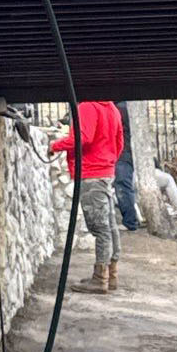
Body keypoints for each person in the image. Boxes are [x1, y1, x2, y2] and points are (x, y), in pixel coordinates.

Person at [49, 100, 124, 295]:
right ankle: (111, 274)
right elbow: (119, 142)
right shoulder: (111, 108)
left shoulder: (87, 107)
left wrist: (55, 146)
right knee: (109, 224)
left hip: (90, 173)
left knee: (100, 228)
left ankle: (100, 278)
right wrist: (108, 162)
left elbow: (82, 138)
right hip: (105, 172)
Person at [113, 101, 138, 233]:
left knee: (123, 186)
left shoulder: (120, 108)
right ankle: (131, 220)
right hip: (124, 153)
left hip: (122, 154)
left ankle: (130, 221)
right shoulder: (123, 107)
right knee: (124, 187)